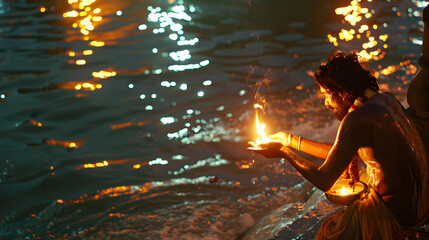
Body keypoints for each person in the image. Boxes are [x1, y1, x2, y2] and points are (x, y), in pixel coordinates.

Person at [254, 51, 429, 239]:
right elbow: (339, 154)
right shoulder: (385, 99)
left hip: (398, 216)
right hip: (422, 203)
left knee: (330, 232)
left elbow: (324, 179)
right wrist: (288, 139)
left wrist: (284, 152)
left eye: (327, 95)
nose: (326, 103)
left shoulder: (357, 120)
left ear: (342, 92)